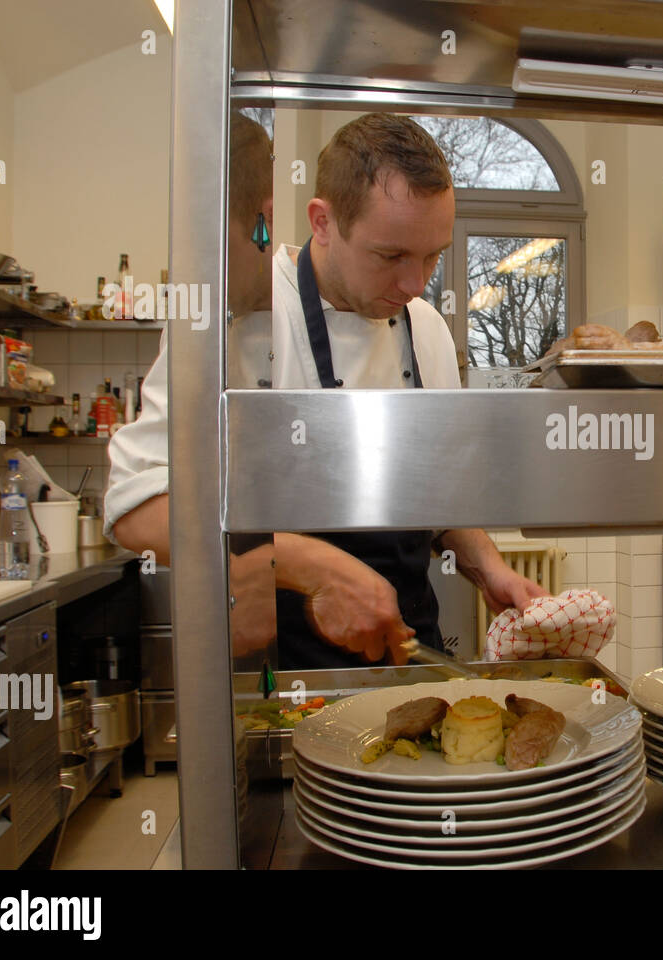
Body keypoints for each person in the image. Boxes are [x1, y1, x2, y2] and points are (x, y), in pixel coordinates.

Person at [107, 112, 547, 669]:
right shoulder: (244, 313)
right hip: (287, 676)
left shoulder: (427, 328)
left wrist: (490, 568)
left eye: (432, 255)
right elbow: (135, 508)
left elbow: (438, 499)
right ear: (322, 222)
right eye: (391, 256)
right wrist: (313, 566)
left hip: (409, 657)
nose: (416, 284)